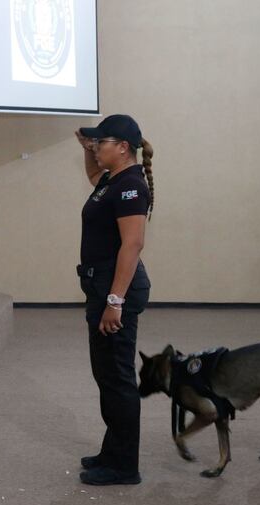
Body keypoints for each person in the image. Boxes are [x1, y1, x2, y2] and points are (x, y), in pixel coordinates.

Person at [74, 114, 153, 485]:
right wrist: (88, 151)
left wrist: (115, 300)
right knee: (105, 374)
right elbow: (93, 178)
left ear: (122, 147)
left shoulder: (131, 186)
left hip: (116, 289)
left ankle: (124, 466)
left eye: (101, 142)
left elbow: (133, 244)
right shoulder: (112, 181)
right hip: (103, 286)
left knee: (118, 377)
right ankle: (113, 451)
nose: (95, 147)